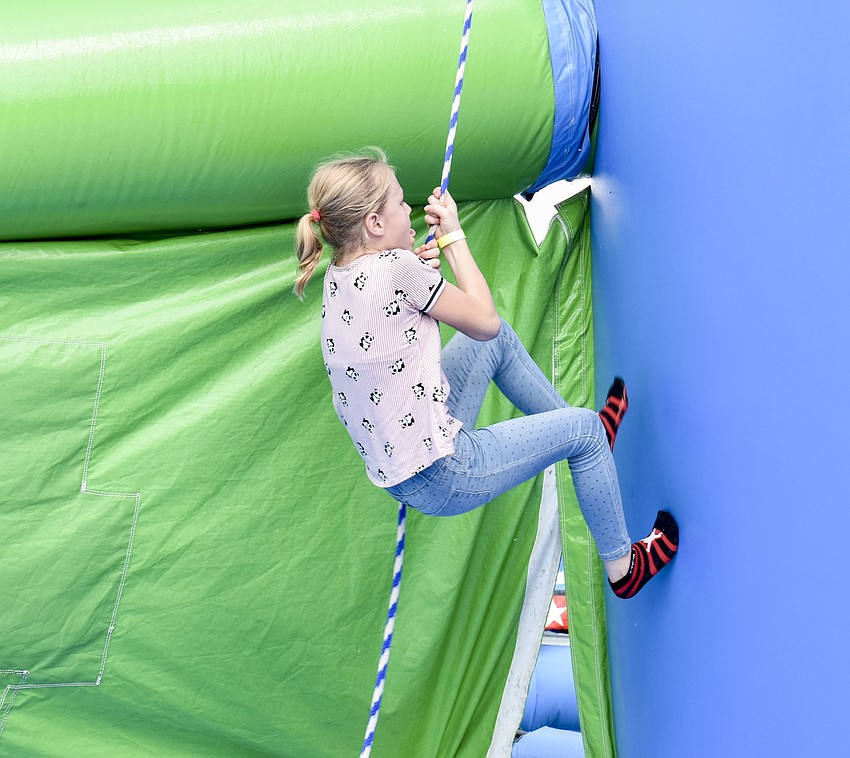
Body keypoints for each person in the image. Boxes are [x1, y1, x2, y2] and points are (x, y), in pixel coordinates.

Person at [294, 149, 678, 599]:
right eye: (400, 203)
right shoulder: (398, 270)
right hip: (446, 471)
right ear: (375, 224)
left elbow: (396, 322)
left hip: (407, 470)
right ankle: (624, 568)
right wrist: (453, 237)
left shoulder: (339, 275)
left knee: (494, 349)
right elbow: (484, 318)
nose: (409, 209)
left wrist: (415, 269)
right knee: (584, 430)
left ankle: (578, 437)